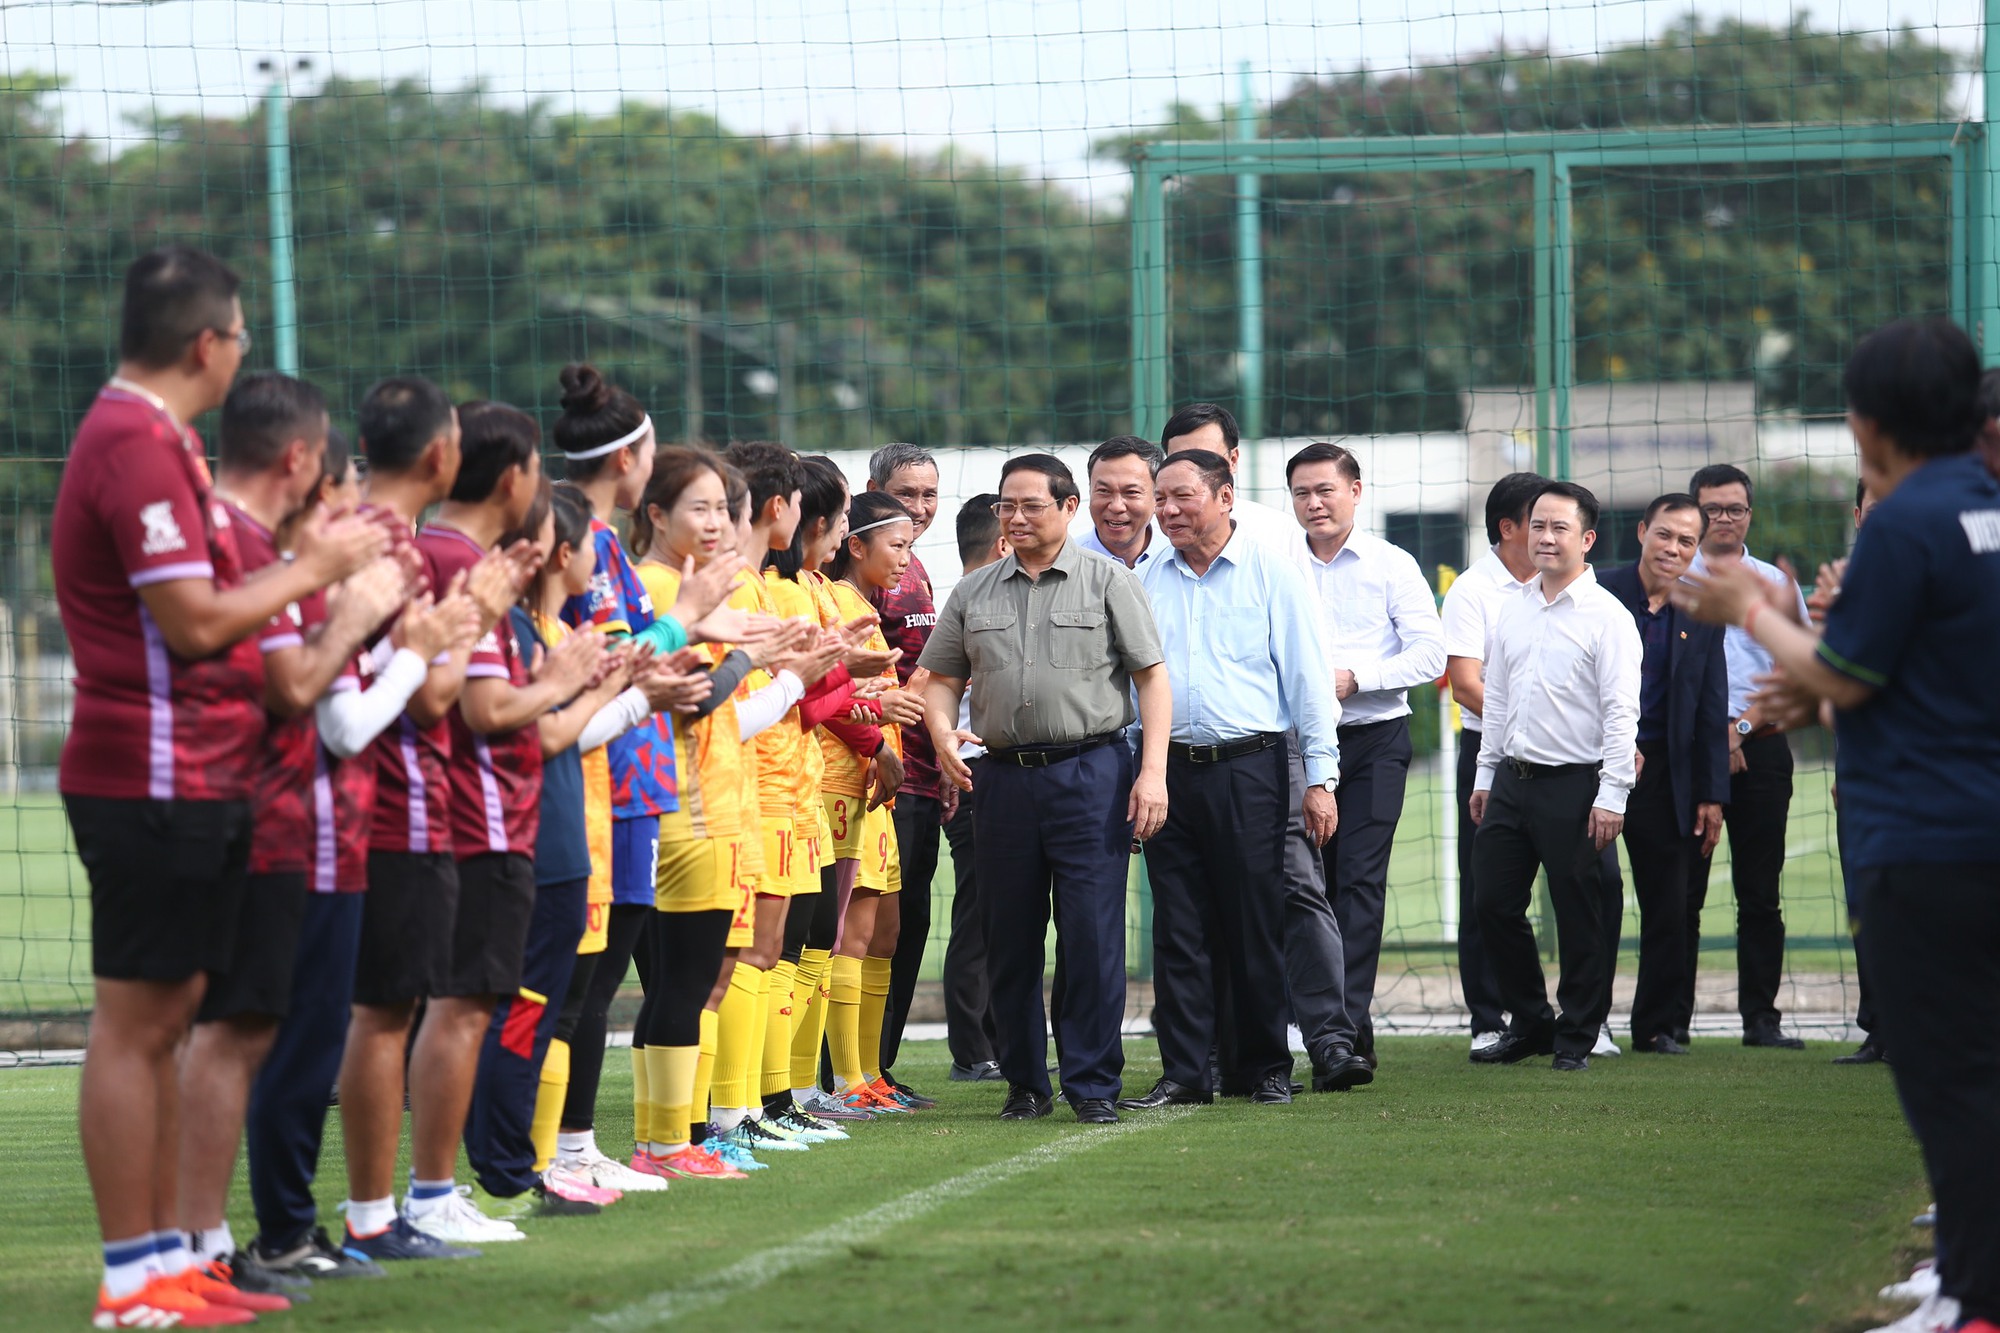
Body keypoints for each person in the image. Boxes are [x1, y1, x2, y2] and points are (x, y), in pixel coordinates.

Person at [53, 247, 389, 1329]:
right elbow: (195, 619)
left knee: (170, 1024)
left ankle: (165, 1264)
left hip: (194, 772)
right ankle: (130, 1283)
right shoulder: (135, 442)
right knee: (138, 1026)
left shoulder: (161, 443)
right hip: (150, 769)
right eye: (239, 337)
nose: (240, 353)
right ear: (208, 344)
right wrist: (318, 572)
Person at [1677, 317, 2000, 1333]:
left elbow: (1843, 676)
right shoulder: (1983, 511)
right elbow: (1903, 675)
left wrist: (1747, 609)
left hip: (1927, 839)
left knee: (1950, 1079)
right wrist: (1810, 683)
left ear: (1864, 425)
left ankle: (1973, 1302)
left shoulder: (1905, 522)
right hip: (1975, 829)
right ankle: (1962, 1282)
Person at [180, 374, 415, 1294]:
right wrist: (398, 635)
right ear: (308, 474)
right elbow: (316, 705)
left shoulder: (277, 562)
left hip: (319, 829)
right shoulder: (255, 553)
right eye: (347, 493)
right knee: (250, 1034)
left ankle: (251, 1234)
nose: (359, 511)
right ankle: (231, 1237)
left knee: (284, 1033)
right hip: (282, 825)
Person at [243, 426, 480, 1285]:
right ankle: (282, 1230)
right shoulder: (292, 580)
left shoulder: (333, 582)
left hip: (343, 833)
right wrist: (424, 645)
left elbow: (392, 695)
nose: (354, 515)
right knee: (277, 1035)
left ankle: (289, 1229)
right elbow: (347, 720)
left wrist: (418, 642)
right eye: (339, 501)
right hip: (307, 831)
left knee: (309, 1034)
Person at [335, 378, 537, 1258]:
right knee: (421, 1008)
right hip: (449, 813)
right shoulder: (429, 556)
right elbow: (456, 701)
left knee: (466, 1002)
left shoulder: (417, 551)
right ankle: (408, 1199)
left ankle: (426, 1193)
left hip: (462, 814)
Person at [918, 453, 1172, 1125]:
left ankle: (1091, 1083)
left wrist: (1153, 771)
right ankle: (1026, 1082)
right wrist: (943, 734)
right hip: (1000, 779)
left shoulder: (1109, 582)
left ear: (1068, 509)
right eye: (1007, 505)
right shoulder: (973, 592)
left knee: (1091, 934)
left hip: (1092, 773)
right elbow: (939, 679)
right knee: (1008, 934)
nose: (1016, 516)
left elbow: (1152, 677)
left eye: (1031, 504)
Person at [546, 365, 749, 1194]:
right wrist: (695, 625)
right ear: (632, 463)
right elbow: (618, 661)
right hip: (606, 782)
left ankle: (578, 1142)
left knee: (596, 984)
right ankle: (554, 1152)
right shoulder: (589, 545)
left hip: (634, 784)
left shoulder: (605, 549)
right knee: (581, 983)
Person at [1124, 448, 1351, 1110]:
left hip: (1251, 768)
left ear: (1225, 498)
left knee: (1254, 918)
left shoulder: (1274, 571)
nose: (1166, 511)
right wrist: (1143, 771)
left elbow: (1310, 679)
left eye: (1181, 497)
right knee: (1179, 926)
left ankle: (1264, 1065)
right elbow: (1135, 683)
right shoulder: (1145, 577)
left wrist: (1319, 777)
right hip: (1171, 772)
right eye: (1159, 499)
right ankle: (1187, 1071)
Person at [1469, 481, 1640, 1072]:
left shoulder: (1608, 618)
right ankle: (1532, 1022)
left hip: (1578, 784)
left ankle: (1578, 1035)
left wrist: (1613, 793)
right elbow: (1496, 698)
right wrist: (1485, 774)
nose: (1544, 536)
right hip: (1511, 781)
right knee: (1492, 903)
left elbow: (1622, 712)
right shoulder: (1512, 606)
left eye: (1559, 527)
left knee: (1581, 914)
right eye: (1537, 524)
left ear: (1587, 539)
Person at [1285, 442, 1444, 1070]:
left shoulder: (1391, 563)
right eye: (1302, 492)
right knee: (1302, 885)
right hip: (1295, 741)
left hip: (1374, 737)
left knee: (1357, 883)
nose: (1314, 503)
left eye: (1326, 489)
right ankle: (1340, 1030)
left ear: (1356, 491)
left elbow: (1431, 655)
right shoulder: (1275, 563)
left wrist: (1359, 677)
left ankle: (1341, 1035)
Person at [1685, 462, 1813, 1050]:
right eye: (1712, 509)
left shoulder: (1776, 586)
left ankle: (1761, 1019)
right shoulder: (1674, 582)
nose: (1724, 519)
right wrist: (1713, 740)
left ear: (1750, 514)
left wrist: (1736, 729)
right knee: (1682, 891)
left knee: (1760, 893)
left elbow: (1799, 669)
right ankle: (1668, 1021)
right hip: (1688, 757)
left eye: (1734, 509)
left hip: (1760, 750)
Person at [1596, 495, 1728, 1055]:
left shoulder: (1701, 611)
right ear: (1642, 532)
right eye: (1664, 535)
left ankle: (1654, 1027)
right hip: (1598, 764)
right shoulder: (1596, 591)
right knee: (1595, 897)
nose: (1673, 549)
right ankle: (1587, 1021)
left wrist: (1712, 793)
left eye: (1686, 541)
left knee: (1670, 906)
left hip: (1667, 774)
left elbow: (1709, 704)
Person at [821, 491, 931, 1114]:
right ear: (854, 544)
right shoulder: (834, 604)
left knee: (884, 932)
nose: (904, 560)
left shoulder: (861, 604)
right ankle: (845, 1082)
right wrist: (877, 744)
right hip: (842, 785)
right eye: (897, 546)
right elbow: (825, 698)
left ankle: (869, 1074)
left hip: (876, 795)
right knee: (850, 935)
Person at [1440, 472, 1544, 1053]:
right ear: (1508, 528)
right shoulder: (1473, 592)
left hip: (1567, 760)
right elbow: (1465, 685)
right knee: (1484, 890)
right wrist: (1527, 726)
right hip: (1490, 756)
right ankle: (1488, 1018)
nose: (1553, 533)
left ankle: (1586, 1017)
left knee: (1587, 883)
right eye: (1541, 521)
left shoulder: (1573, 585)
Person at [862, 443, 946, 1103]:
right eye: (906, 494)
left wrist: (941, 753)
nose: (919, 508)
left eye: (928, 494)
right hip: (880, 778)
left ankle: (878, 1067)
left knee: (908, 922)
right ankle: (855, 1070)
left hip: (920, 773)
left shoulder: (914, 564)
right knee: (871, 929)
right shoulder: (865, 570)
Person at [941, 494, 1007, 1081]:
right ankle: (974, 1046)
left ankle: (991, 1040)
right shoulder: (969, 605)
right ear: (1004, 542)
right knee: (981, 911)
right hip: (974, 774)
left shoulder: (957, 600)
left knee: (991, 911)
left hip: (976, 774)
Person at [1159, 403, 1295, 551]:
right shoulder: (1150, 535)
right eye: (1179, 460)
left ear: (1233, 460)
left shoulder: (1278, 531)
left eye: (1206, 459)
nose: (1192, 470)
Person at [1077, 436, 1168, 573]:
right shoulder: (1065, 562)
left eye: (1131, 492)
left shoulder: (1176, 560)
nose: (1116, 506)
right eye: (1104, 491)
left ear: (1157, 497)